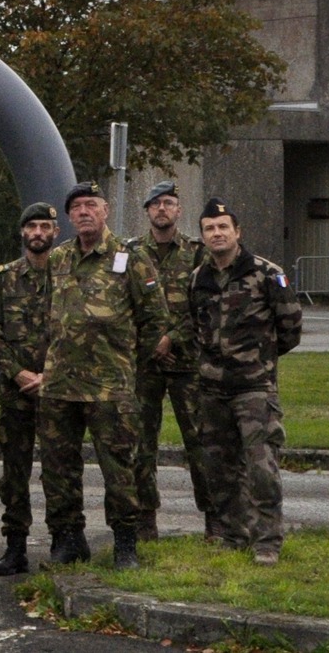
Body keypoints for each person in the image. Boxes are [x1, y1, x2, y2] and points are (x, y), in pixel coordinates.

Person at [39, 180, 170, 571]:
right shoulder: (59, 258)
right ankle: (68, 538)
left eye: (91, 205)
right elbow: (51, 313)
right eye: (77, 207)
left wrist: (129, 365)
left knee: (119, 470)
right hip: (61, 384)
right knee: (58, 469)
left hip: (109, 387)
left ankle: (125, 543)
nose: (84, 212)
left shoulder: (131, 258)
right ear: (69, 216)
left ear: (105, 210)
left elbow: (155, 319)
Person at [188, 197, 302, 565]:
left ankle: (267, 541)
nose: (217, 233)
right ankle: (233, 535)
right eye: (209, 228)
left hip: (254, 388)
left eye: (223, 227)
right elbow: (196, 327)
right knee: (219, 469)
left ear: (237, 232)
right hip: (212, 389)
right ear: (203, 236)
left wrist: (258, 359)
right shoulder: (199, 278)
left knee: (261, 468)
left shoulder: (267, 273)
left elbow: (290, 329)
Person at [0, 201, 58, 576]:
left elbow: (77, 330)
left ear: (55, 232)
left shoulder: (66, 273)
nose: (38, 234)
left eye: (45, 226)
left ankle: (63, 543)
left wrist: (49, 375)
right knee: (14, 473)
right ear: (23, 233)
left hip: (59, 391)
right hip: (15, 393)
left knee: (60, 470)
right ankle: (15, 546)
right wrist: (18, 373)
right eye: (32, 227)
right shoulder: (5, 276)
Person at [134, 179, 209, 541]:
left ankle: (214, 520)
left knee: (200, 441)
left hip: (187, 365)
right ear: (147, 211)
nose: (162, 209)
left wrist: (173, 337)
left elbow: (206, 305)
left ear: (179, 210)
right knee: (140, 444)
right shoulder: (132, 253)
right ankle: (145, 520)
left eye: (168, 203)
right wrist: (151, 342)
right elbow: (124, 305)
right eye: (155, 204)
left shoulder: (197, 253)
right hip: (145, 365)